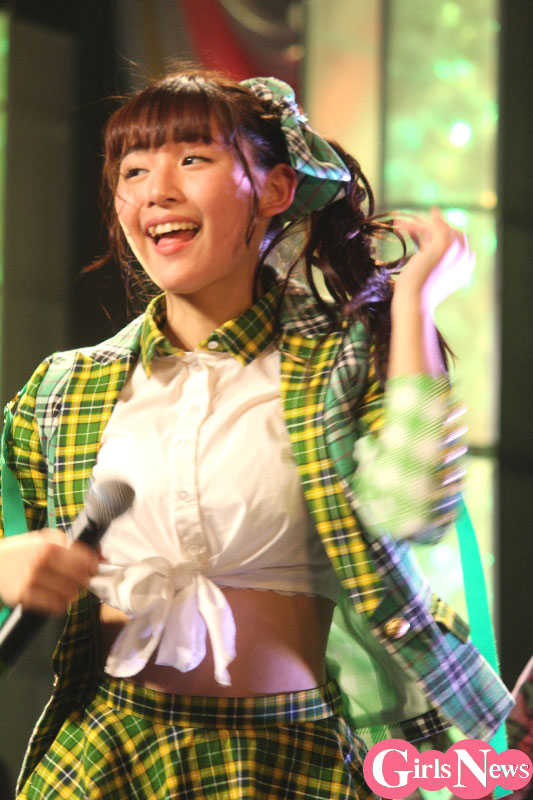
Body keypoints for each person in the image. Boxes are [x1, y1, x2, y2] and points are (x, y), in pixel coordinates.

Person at [0, 69, 513, 799]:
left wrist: (413, 312)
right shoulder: (64, 387)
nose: (156, 191)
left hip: (283, 754)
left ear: (274, 189)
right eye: (133, 171)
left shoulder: (335, 364)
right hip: (106, 751)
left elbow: (411, 511)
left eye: (192, 159)